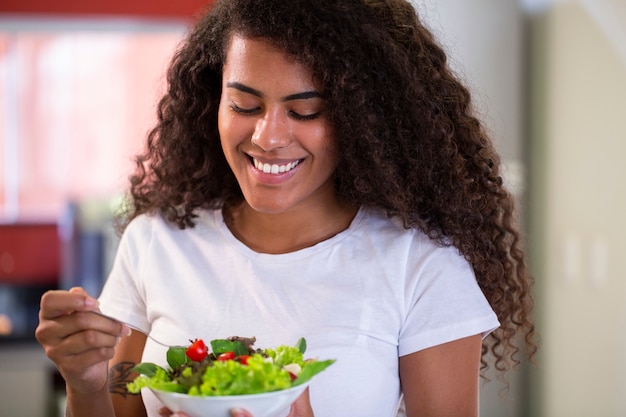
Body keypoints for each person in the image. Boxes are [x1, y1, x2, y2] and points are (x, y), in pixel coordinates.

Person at [35, 0, 536, 416]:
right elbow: (121, 403)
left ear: (364, 119)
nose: (267, 137)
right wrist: (86, 383)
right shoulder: (156, 240)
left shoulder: (421, 265)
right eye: (244, 105)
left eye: (305, 111)